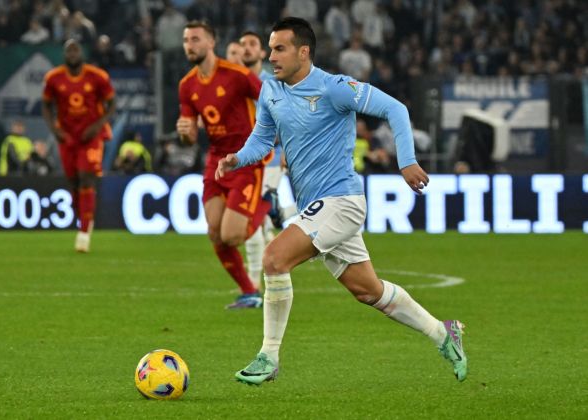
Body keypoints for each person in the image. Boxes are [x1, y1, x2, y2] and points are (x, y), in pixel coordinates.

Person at [216, 17, 467, 385]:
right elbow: (263, 139)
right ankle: (445, 334)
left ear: (304, 51)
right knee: (368, 290)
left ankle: (268, 357)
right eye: (270, 49)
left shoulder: (335, 88)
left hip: (341, 200)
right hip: (314, 207)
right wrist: (238, 158)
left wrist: (407, 160)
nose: (272, 56)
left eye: (279, 48)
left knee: (273, 258)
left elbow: (395, 109)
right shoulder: (270, 91)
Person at [177, 20, 270, 309]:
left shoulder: (238, 75)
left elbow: (271, 102)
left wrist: (271, 137)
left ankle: (266, 206)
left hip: (245, 160)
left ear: (210, 43)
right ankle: (250, 292)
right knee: (216, 234)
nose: (189, 45)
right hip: (215, 161)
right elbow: (191, 138)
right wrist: (186, 133)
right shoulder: (187, 85)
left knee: (232, 235)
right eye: (186, 40)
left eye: (195, 39)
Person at [42, 39, 116, 253]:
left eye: (76, 49)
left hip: (91, 135)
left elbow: (112, 104)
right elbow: (46, 106)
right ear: (64, 55)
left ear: (82, 53)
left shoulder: (98, 77)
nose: (73, 53)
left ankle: (84, 232)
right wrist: (56, 131)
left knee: (86, 177)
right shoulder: (53, 78)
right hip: (67, 137)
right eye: (69, 50)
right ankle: (84, 217)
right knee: (73, 182)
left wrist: (98, 125)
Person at [239, 30, 298, 289]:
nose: (247, 49)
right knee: (262, 216)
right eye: (243, 45)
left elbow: (289, 117)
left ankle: (253, 283)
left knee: (252, 215)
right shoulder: (235, 83)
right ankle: (288, 212)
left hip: (271, 158)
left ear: (262, 52)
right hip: (245, 160)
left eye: (252, 44)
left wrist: (287, 147)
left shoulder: (273, 82)